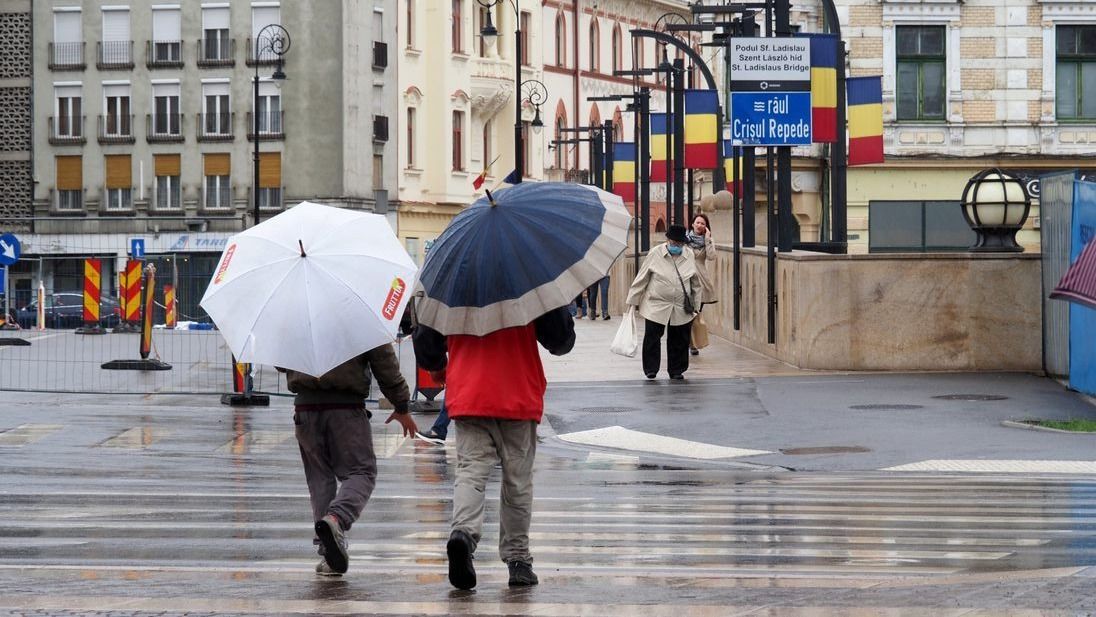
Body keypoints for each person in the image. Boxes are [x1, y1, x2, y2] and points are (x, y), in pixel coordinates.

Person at [413, 306, 575, 590]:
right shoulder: (526, 274)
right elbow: (560, 339)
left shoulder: (453, 279)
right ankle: (518, 561)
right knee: (517, 481)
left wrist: (437, 364)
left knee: (471, 472)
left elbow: (426, 336)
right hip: (518, 391)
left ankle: (463, 534)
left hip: (469, 391)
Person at [280, 346, 418, 577]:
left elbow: (282, 361)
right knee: (361, 472)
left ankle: (329, 555)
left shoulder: (298, 315)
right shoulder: (357, 314)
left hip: (305, 409)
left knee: (319, 479)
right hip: (345, 407)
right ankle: (336, 519)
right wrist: (401, 404)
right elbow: (383, 361)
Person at [625, 224, 701, 380]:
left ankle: (677, 370)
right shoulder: (655, 253)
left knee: (679, 339)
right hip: (656, 303)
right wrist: (632, 300)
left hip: (680, 306)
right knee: (652, 337)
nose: (677, 246)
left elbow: (696, 283)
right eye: (674, 243)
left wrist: (696, 305)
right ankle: (651, 369)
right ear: (668, 240)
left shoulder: (689, 255)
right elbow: (642, 277)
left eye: (680, 244)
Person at [686, 213, 717, 355]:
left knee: (696, 313)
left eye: (703, 224)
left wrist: (708, 239)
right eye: (697, 222)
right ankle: (686, 341)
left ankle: (693, 344)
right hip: (686, 278)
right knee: (685, 313)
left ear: (706, 227)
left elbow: (711, 257)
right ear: (692, 224)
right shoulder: (685, 239)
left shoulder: (707, 241)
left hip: (701, 281)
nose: (700, 225)